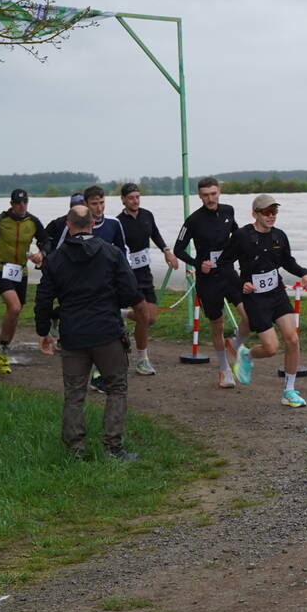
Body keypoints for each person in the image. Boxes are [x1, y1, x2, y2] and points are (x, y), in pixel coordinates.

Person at [35, 204, 142, 461]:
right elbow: (130, 292)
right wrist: (116, 303)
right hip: (107, 331)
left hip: (73, 333)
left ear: (68, 226)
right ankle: (113, 448)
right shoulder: (112, 253)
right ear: (93, 224)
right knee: (117, 388)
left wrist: (43, 331)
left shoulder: (55, 259)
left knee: (74, 393)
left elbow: (43, 299)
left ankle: (75, 450)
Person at [216, 194, 307, 408]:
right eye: (267, 212)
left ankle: (289, 391)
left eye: (274, 211)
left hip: (276, 293)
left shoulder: (279, 236)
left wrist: (304, 273)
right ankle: (247, 355)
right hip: (255, 299)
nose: (271, 216)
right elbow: (223, 264)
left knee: (293, 340)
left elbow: (287, 261)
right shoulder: (242, 236)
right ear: (255, 214)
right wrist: (241, 284)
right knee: (271, 348)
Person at [173, 176, 246, 388]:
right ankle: (224, 370)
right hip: (207, 280)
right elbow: (178, 249)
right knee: (218, 325)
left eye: (213, 194)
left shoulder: (228, 211)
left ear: (219, 192)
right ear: (200, 196)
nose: (210, 199)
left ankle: (235, 343)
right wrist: (198, 264)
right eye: (205, 195)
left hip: (228, 273)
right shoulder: (193, 220)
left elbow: (237, 235)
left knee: (250, 315)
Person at [116, 183, 179, 376]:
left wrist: (167, 251)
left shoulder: (147, 215)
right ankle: (143, 360)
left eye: (137, 197)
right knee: (143, 316)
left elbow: (155, 234)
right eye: (131, 198)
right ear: (123, 200)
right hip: (129, 277)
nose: (135, 201)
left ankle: (123, 314)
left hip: (145, 274)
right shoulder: (118, 222)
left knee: (150, 318)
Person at [0, 189, 46, 373]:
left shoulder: (33, 222)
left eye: (24, 202)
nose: (21, 206)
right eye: (17, 203)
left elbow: (45, 241)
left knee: (15, 312)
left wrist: (41, 253)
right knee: (14, 306)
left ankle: (3, 352)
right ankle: (2, 352)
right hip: (1, 268)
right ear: (11, 204)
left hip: (20, 271)